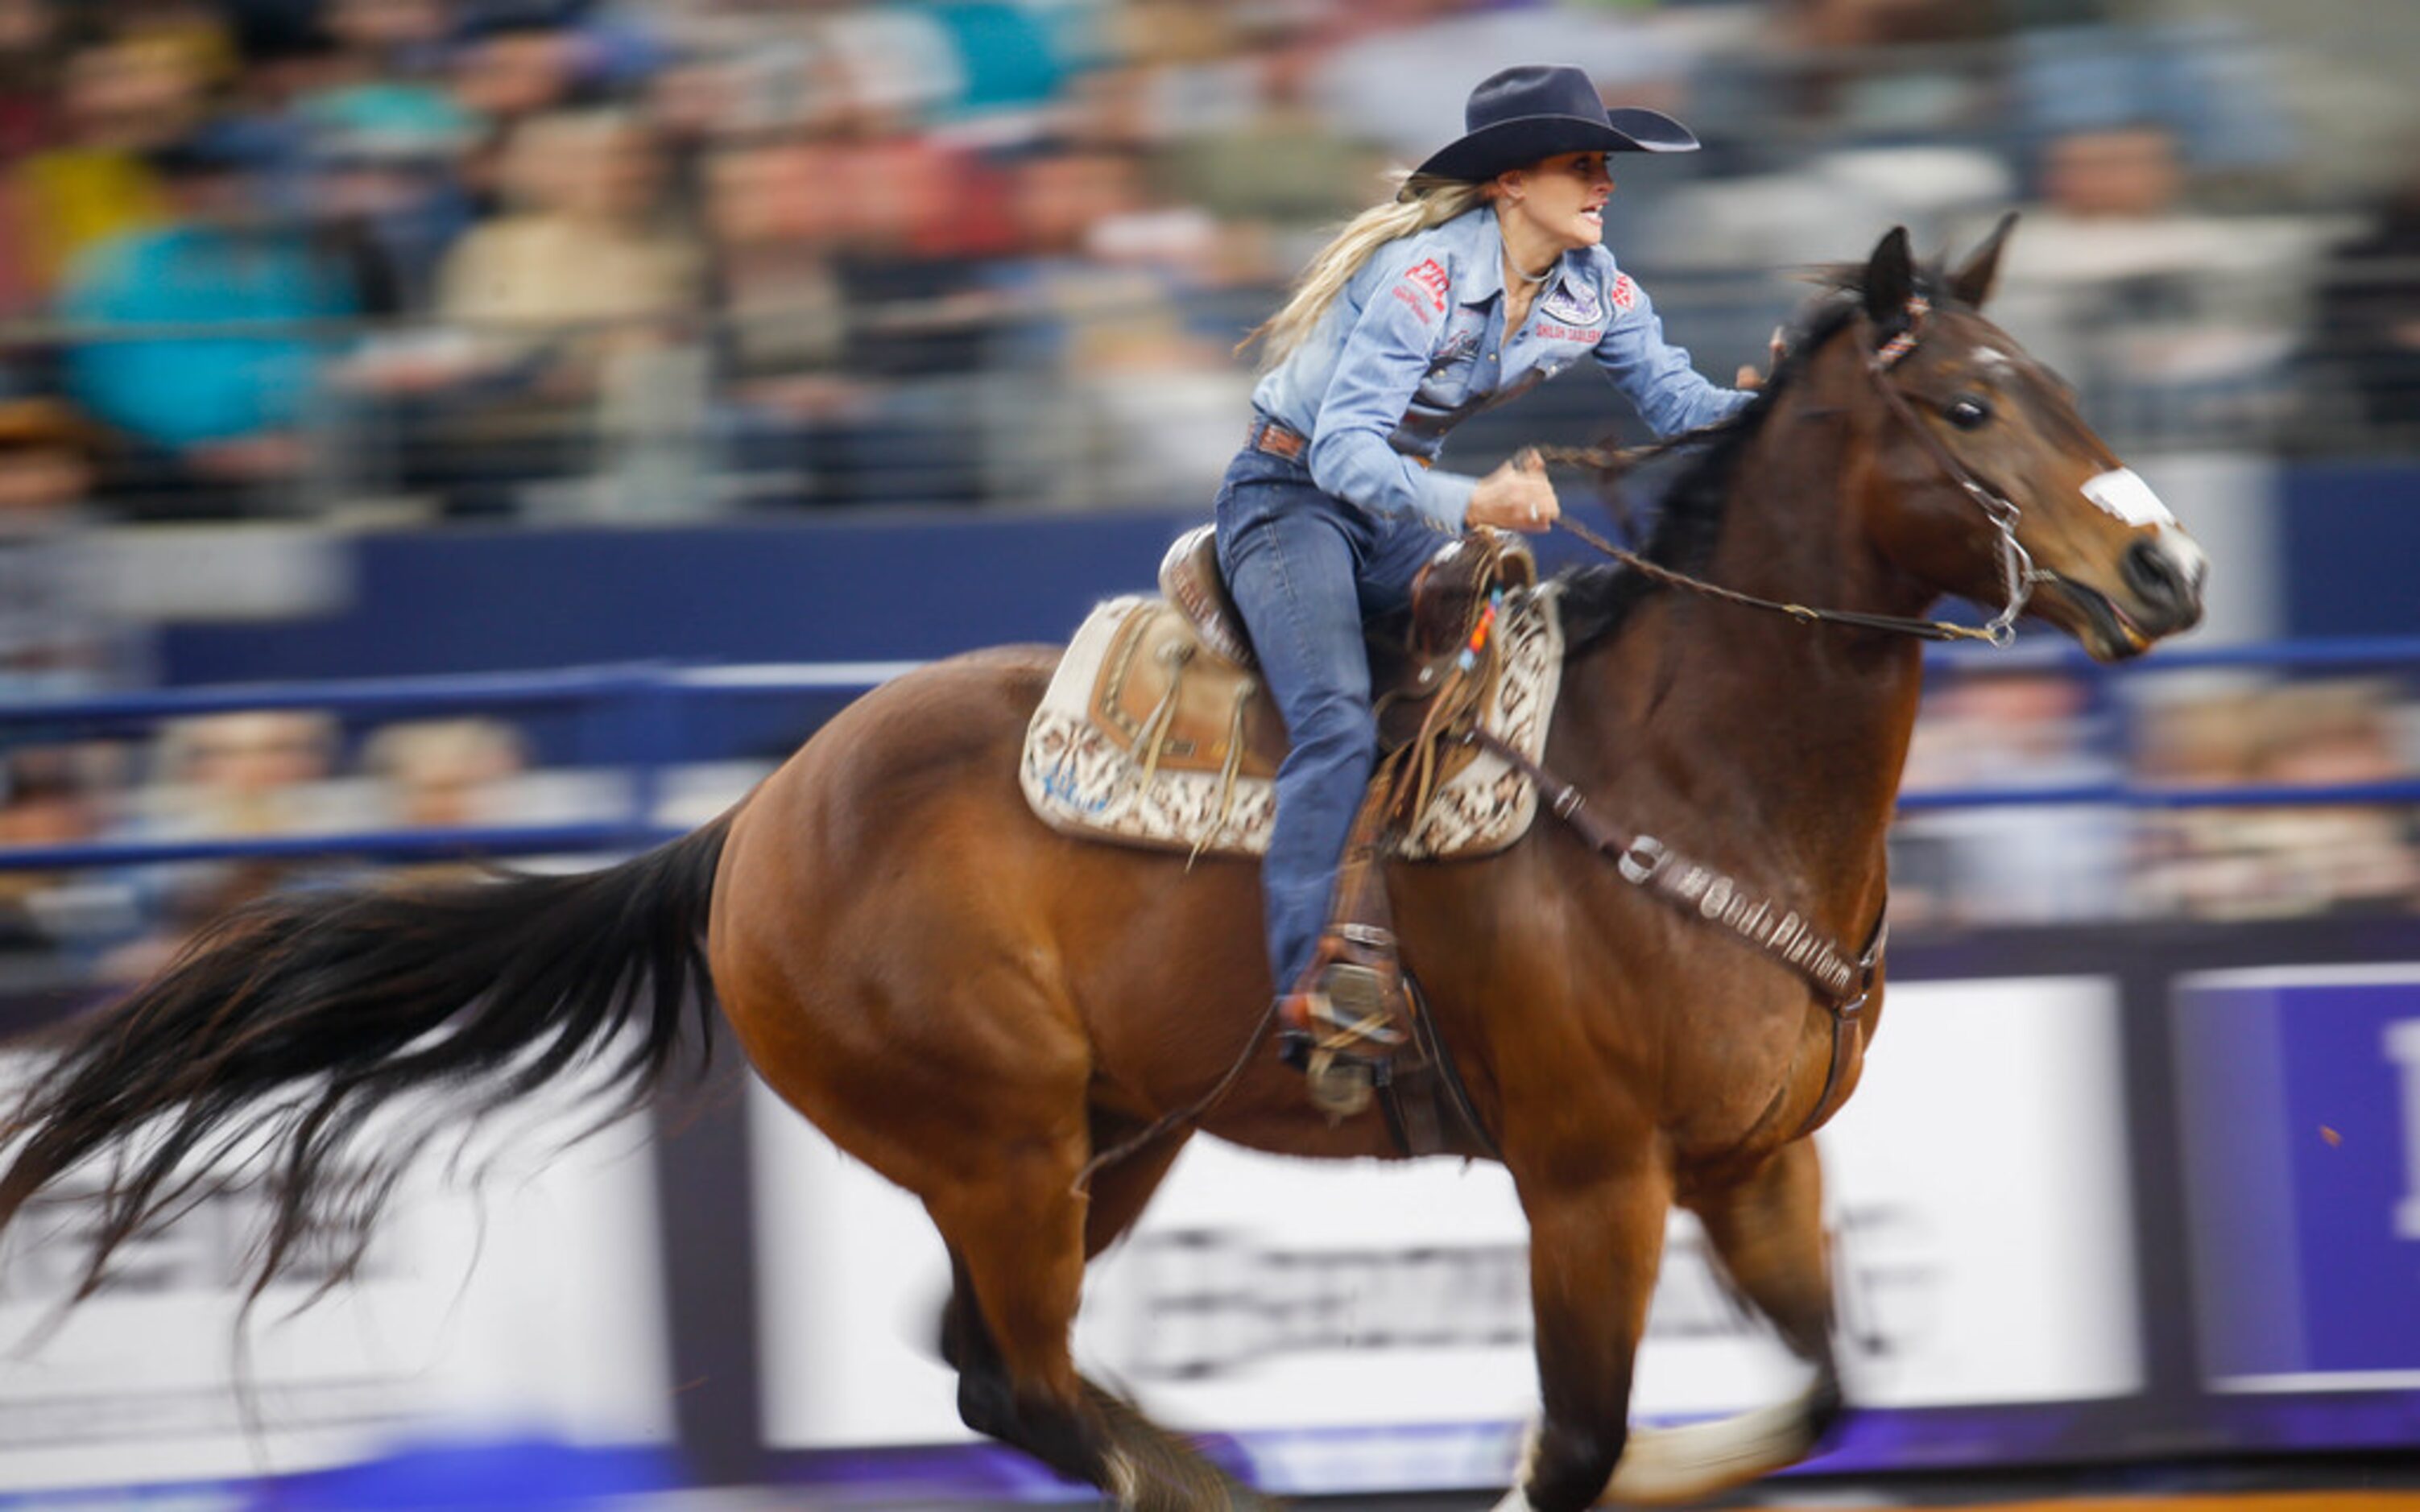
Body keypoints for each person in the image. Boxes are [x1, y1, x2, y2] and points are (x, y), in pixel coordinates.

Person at [1220, 64, 1755, 1089]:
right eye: (1581, 166)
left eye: (1605, 168)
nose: (1603, 185)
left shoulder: (1598, 289)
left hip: (1393, 507)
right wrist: (1474, 505)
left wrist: (1788, 396)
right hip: (1289, 498)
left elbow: (1681, 405)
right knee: (1333, 719)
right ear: (1511, 182)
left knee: (1508, 681)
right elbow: (1339, 455)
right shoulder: (1421, 282)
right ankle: (1307, 989)